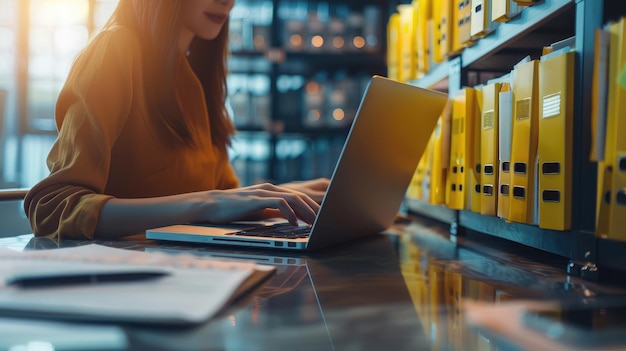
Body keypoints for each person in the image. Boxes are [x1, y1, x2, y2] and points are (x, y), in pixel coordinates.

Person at [23, 0, 329, 240]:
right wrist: (204, 205)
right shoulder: (115, 50)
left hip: (192, 276)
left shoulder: (196, 76)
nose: (227, 1)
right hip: (125, 285)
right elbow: (51, 207)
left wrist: (295, 194)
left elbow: (224, 198)